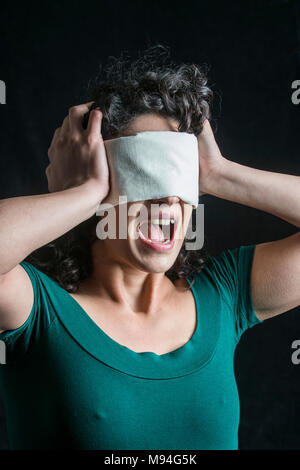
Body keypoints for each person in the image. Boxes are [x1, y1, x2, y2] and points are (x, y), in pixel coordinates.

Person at [0, 45, 299, 450]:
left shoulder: (224, 296)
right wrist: (83, 194)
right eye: (142, 171)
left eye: (180, 175)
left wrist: (222, 175)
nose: (167, 200)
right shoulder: (37, 310)